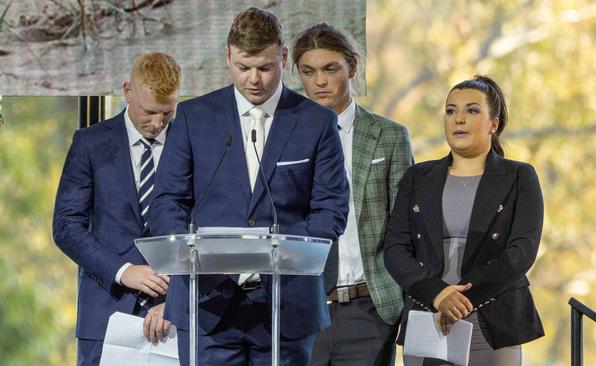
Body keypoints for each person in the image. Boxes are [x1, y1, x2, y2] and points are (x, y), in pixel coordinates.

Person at [148, 8, 349, 366]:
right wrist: (197, 254)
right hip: (206, 303)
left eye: (265, 67)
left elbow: (331, 210)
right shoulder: (194, 118)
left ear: (283, 57)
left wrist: (278, 254)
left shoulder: (316, 122)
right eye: (243, 67)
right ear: (228, 56)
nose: (254, 79)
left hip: (286, 304)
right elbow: (166, 203)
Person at [384, 75, 544, 365]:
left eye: (471, 110)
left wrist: (457, 300)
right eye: (450, 110)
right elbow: (395, 249)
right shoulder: (418, 177)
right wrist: (438, 295)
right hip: (427, 315)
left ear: (493, 124)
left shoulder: (520, 176)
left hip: (492, 318)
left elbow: (522, 252)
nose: (458, 119)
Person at [292, 23, 413, 366]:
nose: (320, 81)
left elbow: (404, 226)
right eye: (308, 71)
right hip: (304, 309)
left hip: (371, 309)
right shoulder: (283, 138)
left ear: (353, 67)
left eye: (331, 69)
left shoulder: (389, 136)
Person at [52, 51, 182, 365]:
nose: (156, 123)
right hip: (105, 315)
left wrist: (178, 300)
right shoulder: (89, 143)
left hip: (175, 318)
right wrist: (124, 272)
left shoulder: (190, 143)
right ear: (127, 91)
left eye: (166, 113)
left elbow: (205, 227)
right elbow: (66, 227)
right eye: (149, 112)